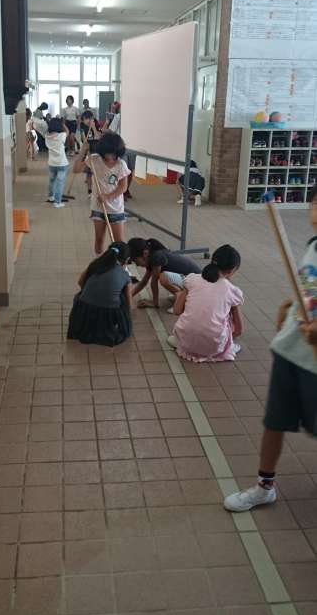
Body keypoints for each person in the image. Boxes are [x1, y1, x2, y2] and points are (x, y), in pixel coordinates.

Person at [224, 186, 317, 512]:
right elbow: (310, 289)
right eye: (316, 203)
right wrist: (290, 303)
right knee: (275, 421)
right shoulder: (314, 246)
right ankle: (264, 487)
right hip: (290, 350)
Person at [167, 244, 243, 362]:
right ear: (232, 270)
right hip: (214, 345)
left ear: (212, 260)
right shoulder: (232, 291)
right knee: (226, 320)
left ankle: (186, 344)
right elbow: (238, 330)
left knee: (173, 338)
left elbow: (177, 310)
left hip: (186, 340)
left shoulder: (192, 279)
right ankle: (227, 348)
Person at [73, 132, 130, 254]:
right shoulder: (94, 160)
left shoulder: (121, 164)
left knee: (119, 241)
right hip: (98, 207)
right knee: (99, 240)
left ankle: (122, 263)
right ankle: (100, 262)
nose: (110, 157)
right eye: (107, 153)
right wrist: (83, 151)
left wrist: (108, 197)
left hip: (116, 208)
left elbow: (123, 187)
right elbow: (76, 169)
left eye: (113, 153)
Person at [67, 241, 133, 346]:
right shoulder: (125, 275)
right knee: (121, 296)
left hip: (83, 310)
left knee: (81, 294)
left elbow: (80, 282)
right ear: (126, 260)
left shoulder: (95, 265)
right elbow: (129, 304)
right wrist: (126, 320)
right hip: (107, 315)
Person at [128, 238, 202, 309]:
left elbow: (154, 281)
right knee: (164, 277)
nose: (137, 264)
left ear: (145, 253)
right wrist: (129, 296)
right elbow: (144, 281)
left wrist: (155, 303)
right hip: (191, 279)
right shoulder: (151, 257)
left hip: (197, 282)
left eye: (135, 260)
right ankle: (182, 295)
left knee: (163, 277)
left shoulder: (156, 257)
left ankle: (183, 299)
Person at [35, 117, 69, 209]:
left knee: (51, 181)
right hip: (62, 163)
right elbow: (67, 131)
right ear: (59, 126)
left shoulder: (47, 136)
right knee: (60, 183)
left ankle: (51, 197)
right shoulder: (61, 135)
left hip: (52, 163)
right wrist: (63, 124)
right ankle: (57, 202)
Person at [81, 110, 101, 196]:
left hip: (97, 153)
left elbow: (98, 137)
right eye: (85, 119)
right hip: (89, 153)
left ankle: (99, 190)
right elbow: (84, 141)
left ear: (91, 119)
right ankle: (90, 190)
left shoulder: (96, 125)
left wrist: (93, 128)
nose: (86, 121)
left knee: (97, 173)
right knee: (89, 173)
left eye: (88, 119)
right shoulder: (83, 128)